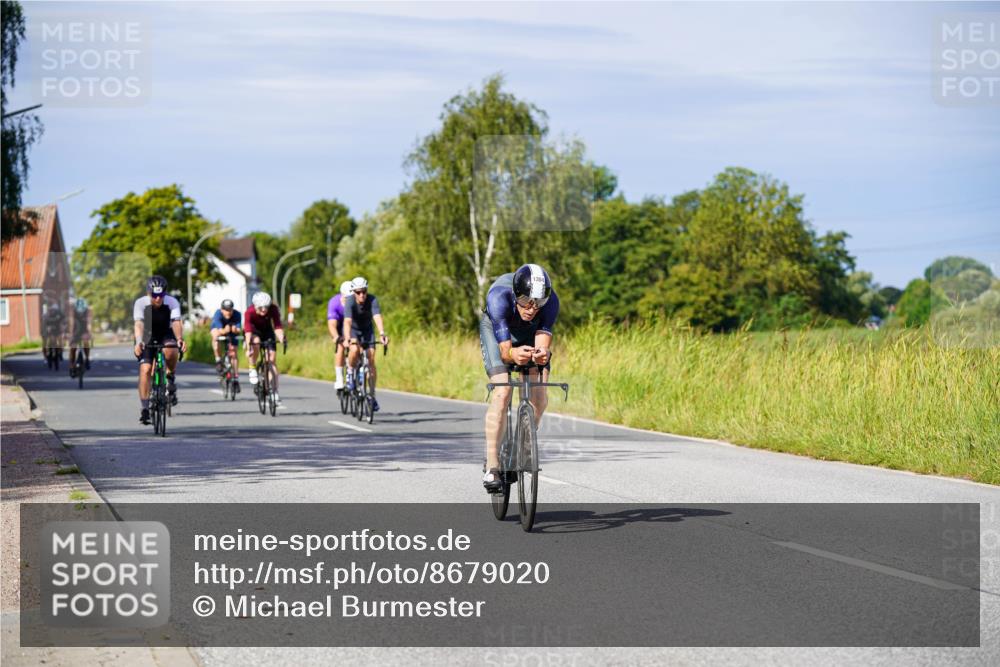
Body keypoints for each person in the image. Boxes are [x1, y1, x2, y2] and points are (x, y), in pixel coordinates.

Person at [478, 263, 559, 492]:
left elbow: (542, 343)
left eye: (538, 302)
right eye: (525, 301)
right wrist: (513, 353)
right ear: (515, 295)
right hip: (497, 332)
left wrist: (542, 355)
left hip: (529, 335)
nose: (532, 308)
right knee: (503, 392)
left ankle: (521, 449)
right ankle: (492, 466)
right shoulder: (498, 298)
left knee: (540, 397)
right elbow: (505, 352)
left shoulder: (551, 303)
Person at [133, 276, 185, 425]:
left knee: (171, 349)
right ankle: (144, 408)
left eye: (160, 295)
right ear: (148, 293)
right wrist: (138, 342)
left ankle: (170, 376)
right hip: (147, 334)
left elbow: (176, 322)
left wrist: (179, 338)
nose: (157, 299)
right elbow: (139, 324)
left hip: (165, 333)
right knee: (146, 369)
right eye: (154, 296)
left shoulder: (172, 302)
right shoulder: (141, 303)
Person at [343, 277, 388, 411]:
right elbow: (347, 322)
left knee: (371, 358)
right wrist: (347, 338)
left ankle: (372, 396)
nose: (361, 295)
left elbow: (377, 317)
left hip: (368, 331)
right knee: (354, 350)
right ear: (354, 292)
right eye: (358, 292)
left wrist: (382, 333)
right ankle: (350, 372)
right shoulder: (350, 301)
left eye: (364, 291)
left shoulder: (372, 300)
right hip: (354, 331)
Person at [244, 291, 285, 404]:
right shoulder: (249, 312)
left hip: (267, 332)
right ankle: (252, 367)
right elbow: (247, 331)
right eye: (261, 308)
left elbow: (277, 326)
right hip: (254, 331)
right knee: (256, 342)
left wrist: (281, 338)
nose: (264, 310)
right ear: (256, 306)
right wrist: (249, 348)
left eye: (266, 307)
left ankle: (275, 392)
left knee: (271, 360)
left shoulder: (273, 309)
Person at [210, 299, 243, 391]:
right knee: (215, 337)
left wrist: (235, 330)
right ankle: (218, 360)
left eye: (230, 310)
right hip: (219, 330)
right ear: (222, 310)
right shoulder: (218, 314)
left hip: (231, 332)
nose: (228, 312)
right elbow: (220, 330)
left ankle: (236, 378)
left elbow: (238, 329)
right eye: (226, 310)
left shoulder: (237, 314)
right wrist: (225, 330)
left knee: (233, 353)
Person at [326, 280, 353, 390]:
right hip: (339, 325)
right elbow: (332, 324)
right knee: (340, 347)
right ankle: (339, 378)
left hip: (351, 324)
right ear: (342, 296)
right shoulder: (334, 302)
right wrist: (336, 336)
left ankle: (354, 372)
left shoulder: (355, 303)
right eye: (347, 298)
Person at [68, 297, 92, 377]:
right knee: (73, 348)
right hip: (75, 330)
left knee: (86, 342)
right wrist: (71, 334)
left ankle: (87, 358)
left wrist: (89, 333)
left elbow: (89, 323)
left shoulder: (87, 311)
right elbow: (71, 323)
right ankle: (72, 365)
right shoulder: (73, 311)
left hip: (84, 330)